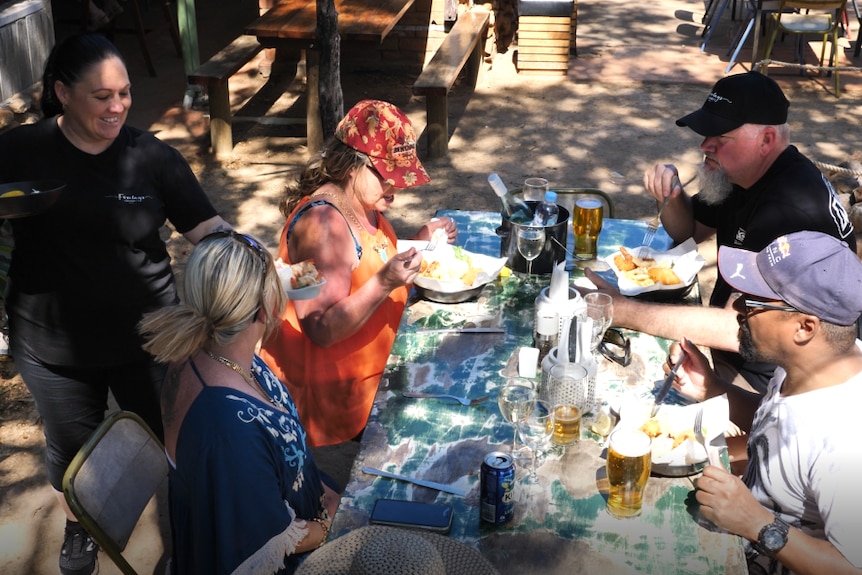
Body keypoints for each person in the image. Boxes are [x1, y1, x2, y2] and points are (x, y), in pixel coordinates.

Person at [0, 34, 231, 575]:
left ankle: (186, 535)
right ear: (62, 93)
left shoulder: (152, 158)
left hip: (150, 339)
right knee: (73, 451)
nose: (118, 106)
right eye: (102, 96)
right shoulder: (18, 149)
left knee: (167, 442)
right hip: (50, 343)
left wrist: (264, 261)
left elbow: (207, 229)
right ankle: (82, 523)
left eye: (124, 93)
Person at [584, 71, 855, 399]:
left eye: (719, 138)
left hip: (774, 381)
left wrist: (623, 310)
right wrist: (670, 195)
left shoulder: (787, 209)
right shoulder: (745, 173)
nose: (704, 145)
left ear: (766, 140)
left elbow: (736, 328)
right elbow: (689, 231)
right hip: (743, 357)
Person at [259, 99, 457, 448]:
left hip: (371, 376)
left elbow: (364, 264)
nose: (397, 187)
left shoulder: (360, 203)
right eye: (388, 175)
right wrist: (385, 283)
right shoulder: (320, 226)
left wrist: (422, 241)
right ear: (353, 166)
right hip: (335, 395)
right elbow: (319, 327)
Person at [139, 231, 340, 574]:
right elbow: (264, 540)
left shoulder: (204, 352)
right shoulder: (230, 430)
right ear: (265, 310)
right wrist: (329, 521)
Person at [673, 231, 862, 574]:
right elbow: (781, 424)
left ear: (805, 327)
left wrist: (756, 523)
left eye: (753, 301)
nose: (737, 308)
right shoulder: (812, 364)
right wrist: (713, 388)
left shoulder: (847, 444)